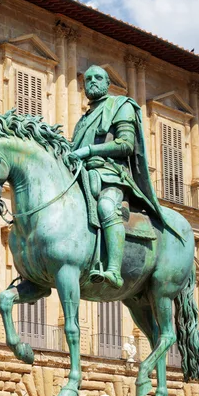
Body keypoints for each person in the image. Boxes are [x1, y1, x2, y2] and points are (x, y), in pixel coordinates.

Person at [69, 65, 167, 289]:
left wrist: (90, 151)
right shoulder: (83, 120)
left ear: (106, 84)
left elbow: (125, 144)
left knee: (105, 207)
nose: (92, 81)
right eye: (88, 78)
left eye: (98, 78)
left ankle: (114, 270)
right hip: (84, 174)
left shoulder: (121, 106)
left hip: (111, 175)